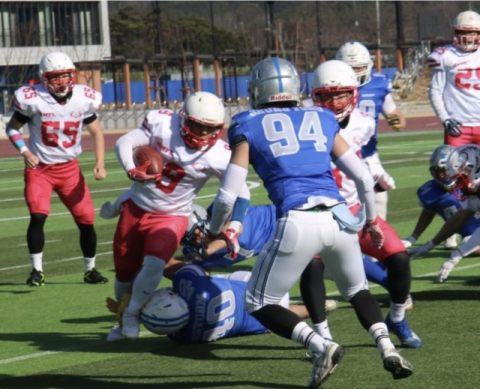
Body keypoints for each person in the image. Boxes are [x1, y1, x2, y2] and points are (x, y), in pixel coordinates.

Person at [208, 57, 413, 388]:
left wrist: (217, 227)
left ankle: (321, 346)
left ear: (256, 91)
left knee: (258, 302)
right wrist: (371, 221)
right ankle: (386, 347)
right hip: (339, 217)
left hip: (298, 219)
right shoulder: (321, 116)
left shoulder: (246, 123)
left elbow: (228, 195)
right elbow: (362, 176)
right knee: (357, 290)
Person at [111, 91, 251, 340]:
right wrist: (131, 169)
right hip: (136, 206)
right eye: (196, 125)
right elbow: (124, 142)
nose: (202, 133)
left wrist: (236, 222)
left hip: (172, 215)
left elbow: (242, 191)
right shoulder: (163, 123)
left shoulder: (219, 153)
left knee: (154, 263)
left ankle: (132, 313)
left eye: (209, 129)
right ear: (183, 118)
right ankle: (121, 316)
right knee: (124, 269)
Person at [311, 59, 421, 349]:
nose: (334, 102)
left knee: (398, 257)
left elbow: (362, 157)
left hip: (355, 209)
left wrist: (377, 173)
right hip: (317, 215)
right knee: (312, 269)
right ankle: (323, 337)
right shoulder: (306, 124)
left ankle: (397, 318)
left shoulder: (362, 121)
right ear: (315, 96)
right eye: (327, 95)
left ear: (353, 94)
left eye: (341, 94)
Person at [5, 51, 108, 286]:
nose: (61, 81)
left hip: (70, 169)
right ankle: (36, 271)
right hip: (40, 168)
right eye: (55, 76)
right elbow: (12, 129)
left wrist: (100, 163)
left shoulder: (84, 98)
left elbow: (97, 132)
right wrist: (25, 152)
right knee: (38, 216)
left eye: (65, 75)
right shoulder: (33, 99)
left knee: (86, 220)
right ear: (44, 78)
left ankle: (90, 270)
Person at [106, 261, 310, 343]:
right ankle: (315, 304)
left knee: (274, 312)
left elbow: (167, 320)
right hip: (257, 286)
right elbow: (157, 265)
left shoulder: (185, 338)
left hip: (274, 317)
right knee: (212, 278)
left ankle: (313, 308)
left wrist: (139, 315)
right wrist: (132, 297)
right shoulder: (191, 285)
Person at [336, 41, 406, 221]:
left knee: (379, 195)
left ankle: (377, 242)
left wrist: (396, 122)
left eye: (359, 67)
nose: (356, 73)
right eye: (351, 68)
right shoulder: (333, 86)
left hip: (367, 152)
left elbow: (396, 116)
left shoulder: (379, 84)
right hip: (336, 153)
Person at [408, 144, 480, 283]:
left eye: (460, 176)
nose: (457, 183)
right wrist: (433, 245)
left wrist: (457, 255)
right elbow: (458, 219)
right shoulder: (474, 192)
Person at [428, 11, 480, 147]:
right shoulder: (445, 55)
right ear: (455, 32)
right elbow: (435, 91)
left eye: (472, 33)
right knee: (454, 167)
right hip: (459, 126)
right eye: (463, 32)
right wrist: (445, 119)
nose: (467, 37)